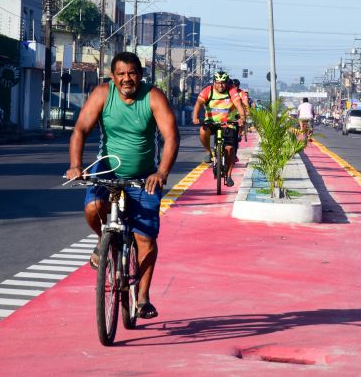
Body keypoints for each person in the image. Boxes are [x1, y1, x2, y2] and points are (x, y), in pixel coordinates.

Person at [66, 52, 178, 320]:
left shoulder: (153, 97)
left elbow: (171, 136)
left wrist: (161, 172)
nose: (127, 79)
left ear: (140, 74)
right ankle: (102, 242)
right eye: (121, 74)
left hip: (144, 176)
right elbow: (80, 129)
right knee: (93, 207)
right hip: (108, 169)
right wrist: (75, 165)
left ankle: (142, 298)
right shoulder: (103, 94)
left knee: (145, 239)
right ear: (113, 76)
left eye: (132, 73)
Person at [193, 71, 246, 187]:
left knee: (230, 149)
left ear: (227, 83)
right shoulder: (208, 90)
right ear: (214, 82)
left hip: (228, 124)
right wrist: (195, 117)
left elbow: (239, 105)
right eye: (218, 83)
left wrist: (242, 118)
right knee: (203, 131)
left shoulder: (232, 91)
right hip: (211, 122)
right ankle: (209, 153)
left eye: (223, 83)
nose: (220, 86)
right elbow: (198, 103)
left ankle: (229, 176)